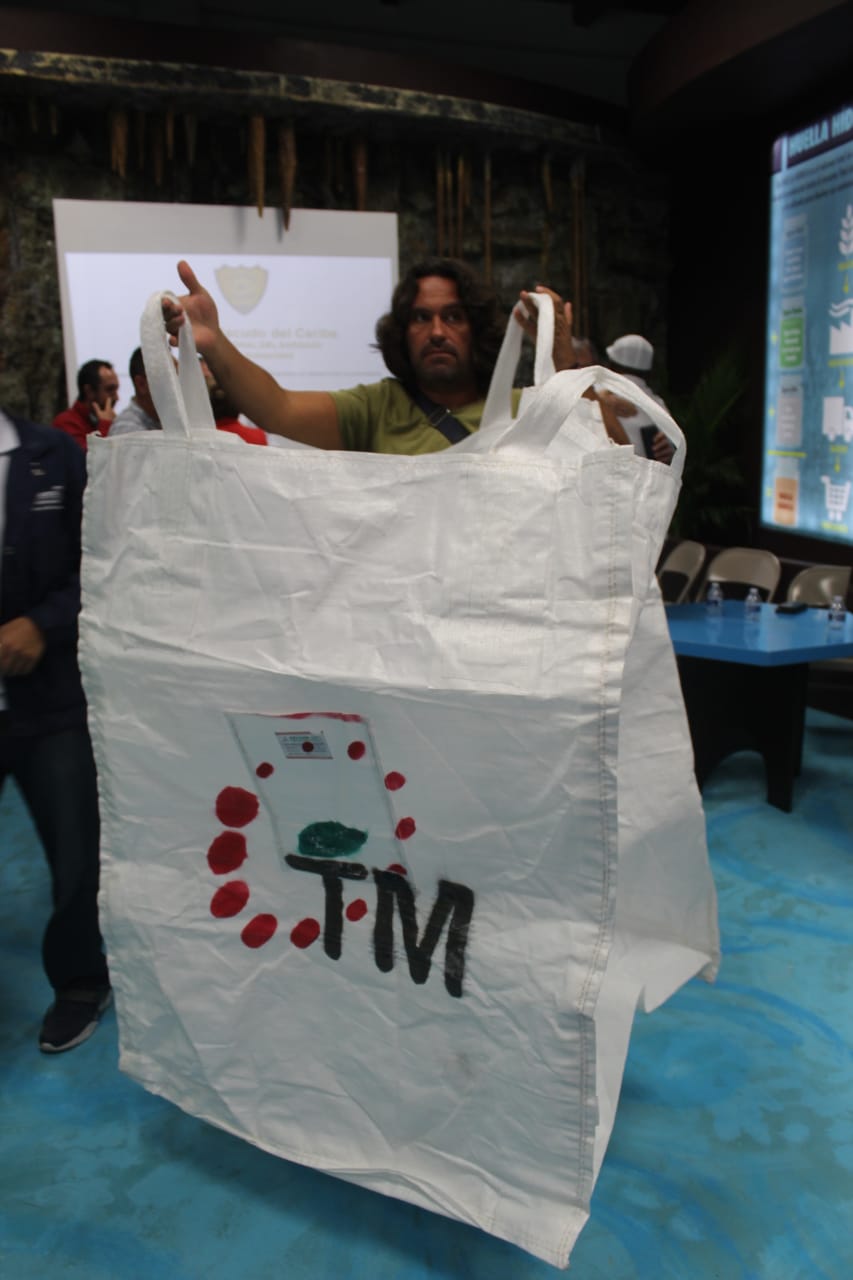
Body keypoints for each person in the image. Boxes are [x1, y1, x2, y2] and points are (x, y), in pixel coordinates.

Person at [162, 258, 576, 452]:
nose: (436, 332)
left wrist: (564, 362)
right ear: (402, 332)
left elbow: (599, 446)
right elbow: (279, 409)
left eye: (453, 317)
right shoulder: (377, 408)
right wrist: (214, 340)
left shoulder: (523, 408)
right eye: (421, 318)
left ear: (477, 328)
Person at [0, 406, 110, 1052]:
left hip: (49, 700)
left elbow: (98, 561)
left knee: (75, 849)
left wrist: (42, 623)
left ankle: (80, 982)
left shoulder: (53, 456)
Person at [601, 333, 675, 464]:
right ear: (648, 373)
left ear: (611, 365)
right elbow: (668, 452)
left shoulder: (594, 394)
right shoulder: (659, 406)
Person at [52, 358, 119, 451]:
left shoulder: (104, 421)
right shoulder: (66, 423)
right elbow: (88, 457)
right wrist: (106, 425)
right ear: (89, 391)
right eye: (110, 390)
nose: (116, 397)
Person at [108, 347, 161, 436]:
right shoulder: (127, 430)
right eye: (172, 381)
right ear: (142, 384)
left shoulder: (161, 421)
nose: (179, 387)